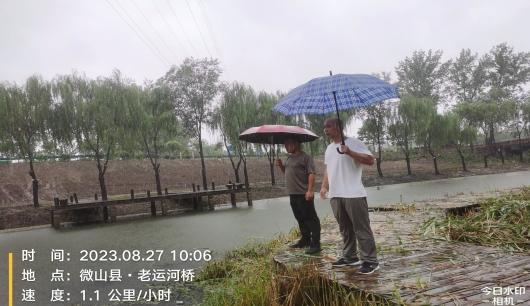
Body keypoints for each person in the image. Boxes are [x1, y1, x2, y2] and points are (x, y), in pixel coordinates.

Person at [319, 118, 379, 274]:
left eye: (329, 126)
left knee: (361, 229)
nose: (325, 130)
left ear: (339, 127)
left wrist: (349, 151)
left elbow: (370, 160)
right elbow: (328, 169)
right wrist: (324, 186)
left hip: (353, 194)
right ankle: (350, 257)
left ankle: (370, 261)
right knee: (345, 229)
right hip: (336, 194)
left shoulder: (354, 143)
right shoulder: (329, 148)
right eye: (324, 127)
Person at [276, 138, 321, 254]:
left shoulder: (306, 158)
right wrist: (281, 166)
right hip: (293, 194)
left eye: (288, 144)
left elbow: (311, 174)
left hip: (303, 193)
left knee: (311, 219)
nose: (285, 146)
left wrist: (310, 190)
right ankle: (305, 239)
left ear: (296, 143)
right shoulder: (289, 158)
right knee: (300, 218)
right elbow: (287, 172)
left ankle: (316, 244)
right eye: (285, 144)